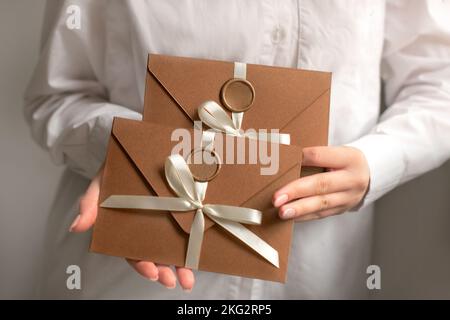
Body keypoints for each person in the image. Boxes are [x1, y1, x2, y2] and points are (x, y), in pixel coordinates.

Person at [25, 0, 450, 299]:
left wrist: (379, 162)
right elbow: (56, 98)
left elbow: (439, 81)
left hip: (318, 273)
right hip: (139, 278)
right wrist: (131, 153)